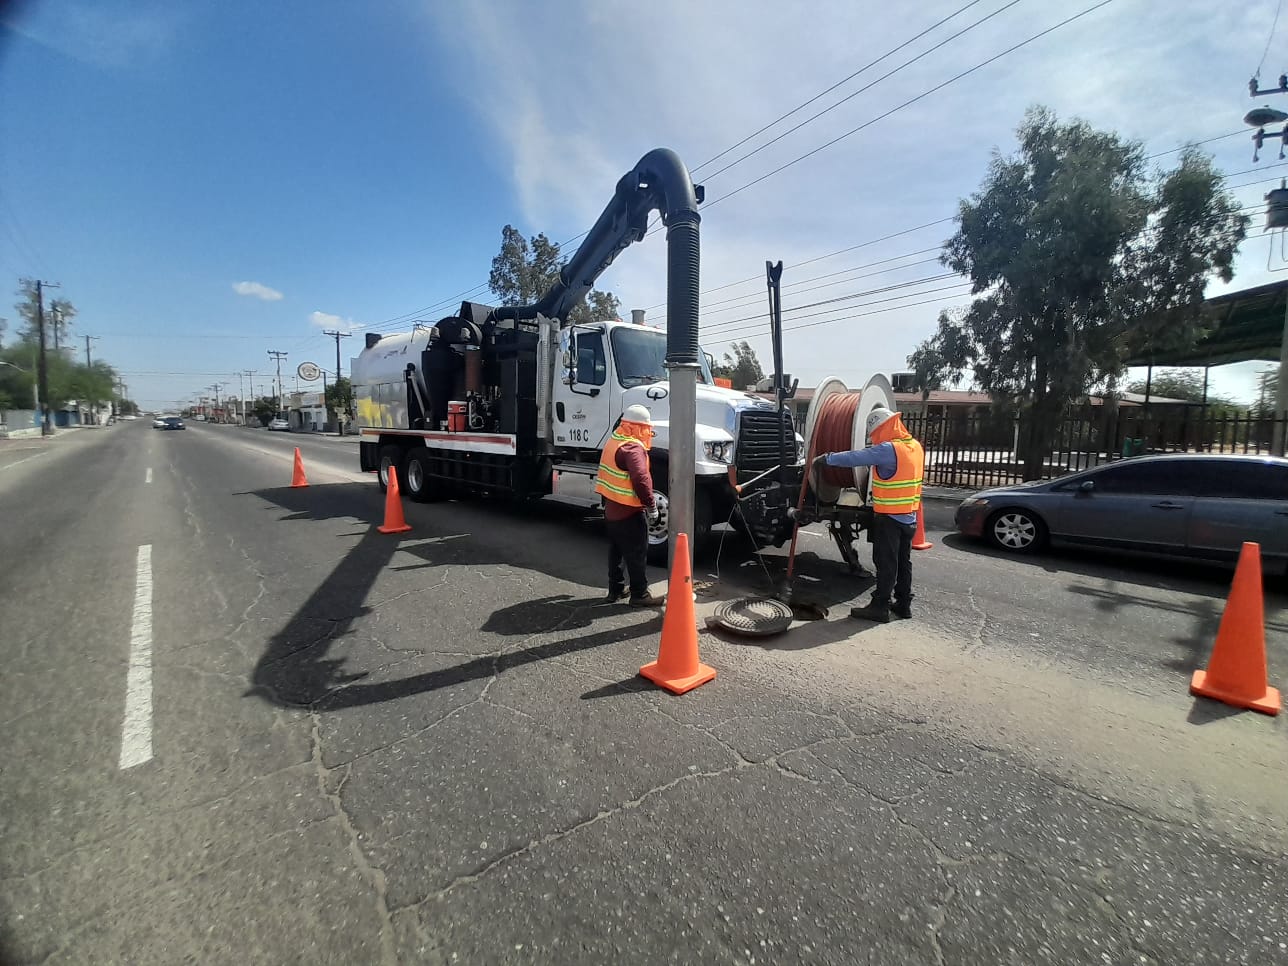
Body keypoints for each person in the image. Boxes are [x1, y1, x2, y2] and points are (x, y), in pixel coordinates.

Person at [813, 406, 924, 622]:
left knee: (886, 563)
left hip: (889, 518)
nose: (875, 438)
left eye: (875, 433)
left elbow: (857, 457)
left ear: (883, 428)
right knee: (903, 562)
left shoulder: (888, 450)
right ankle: (903, 604)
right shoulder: (914, 447)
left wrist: (827, 458)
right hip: (909, 517)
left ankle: (880, 607)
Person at [595, 404, 666, 607]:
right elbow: (641, 478)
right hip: (629, 513)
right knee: (636, 553)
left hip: (612, 511)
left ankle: (615, 590)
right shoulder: (633, 447)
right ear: (639, 428)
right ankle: (639, 594)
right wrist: (651, 506)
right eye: (647, 429)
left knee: (616, 552)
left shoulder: (614, 441)